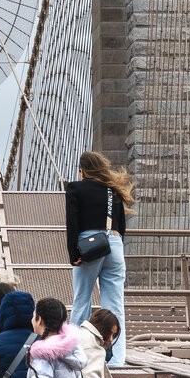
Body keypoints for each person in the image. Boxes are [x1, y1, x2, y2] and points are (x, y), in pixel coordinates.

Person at [66, 150, 134, 366]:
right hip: (114, 244)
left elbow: (72, 223)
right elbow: (121, 227)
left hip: (91, 245)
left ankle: (75, 354)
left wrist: (73, 254)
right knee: (115, 304)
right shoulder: (113, 191)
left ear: (83, 171)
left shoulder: (76, 188)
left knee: (82, 299)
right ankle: (116, 360)